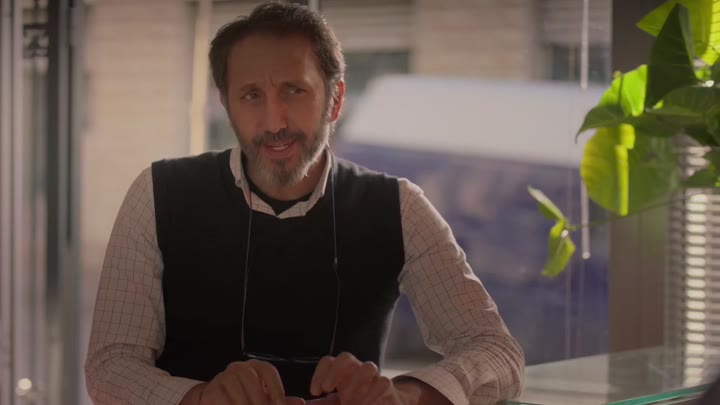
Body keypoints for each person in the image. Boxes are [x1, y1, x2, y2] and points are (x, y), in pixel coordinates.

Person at [84, 2, 525, 404]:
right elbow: (110, 366)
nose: (275, 122)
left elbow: (497, 352)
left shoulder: (398, 207)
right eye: (251, 95)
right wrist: (199, 399)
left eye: (294, 91)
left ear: (335, 100)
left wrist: (403, 395)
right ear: (226, 105)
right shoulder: (159, 193)